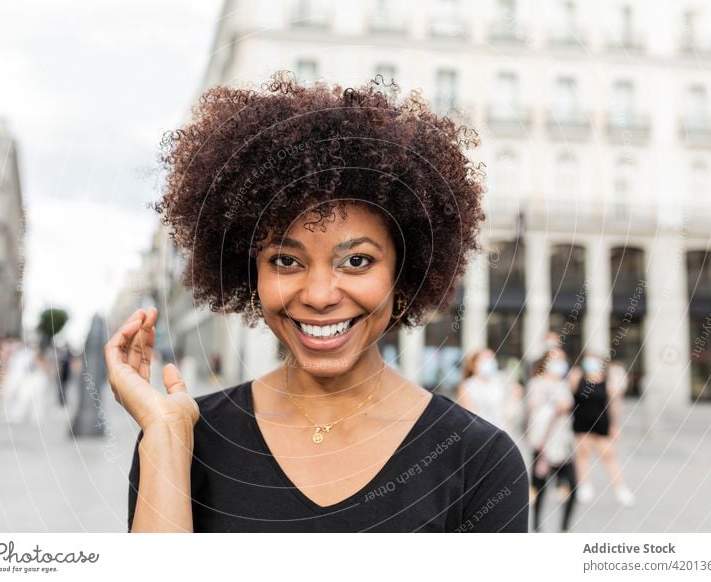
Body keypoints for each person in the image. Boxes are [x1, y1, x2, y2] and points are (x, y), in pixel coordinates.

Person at [105, 72, 529, 533]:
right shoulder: (186, 437)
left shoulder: (479, 460)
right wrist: (166, 439)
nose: (321, 295)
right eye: (286, 260)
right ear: (252, 276)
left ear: (402, 278)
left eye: (357, 261)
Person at [570, 352, 635, 507]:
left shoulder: (607, 380)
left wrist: (615, 425)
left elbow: (614, 403)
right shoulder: (577, 378)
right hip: (581, 422)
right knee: (583, 455)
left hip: (602, 422)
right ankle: (585, 486)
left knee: (608, 455)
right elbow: (569, 397)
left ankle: (621, 489)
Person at [526, 348, 577, 532]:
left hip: (563, 443)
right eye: (555, 359)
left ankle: (564, 529)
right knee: (539, 488)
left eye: (562, 359)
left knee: (571, 486)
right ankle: (537, 528)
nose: (559, 363)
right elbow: (534, 409)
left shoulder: (564, 383)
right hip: (544, 443)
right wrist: (556, 407)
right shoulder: (537, 383)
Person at [457, 348, 523, 443]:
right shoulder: (468, 386)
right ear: (474, 364)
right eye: (485, 359)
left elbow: (512, 407)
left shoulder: (501, 381)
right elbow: (469, 416)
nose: (489, 361)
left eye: (491, 358)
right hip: (481, 438)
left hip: (505, 436)